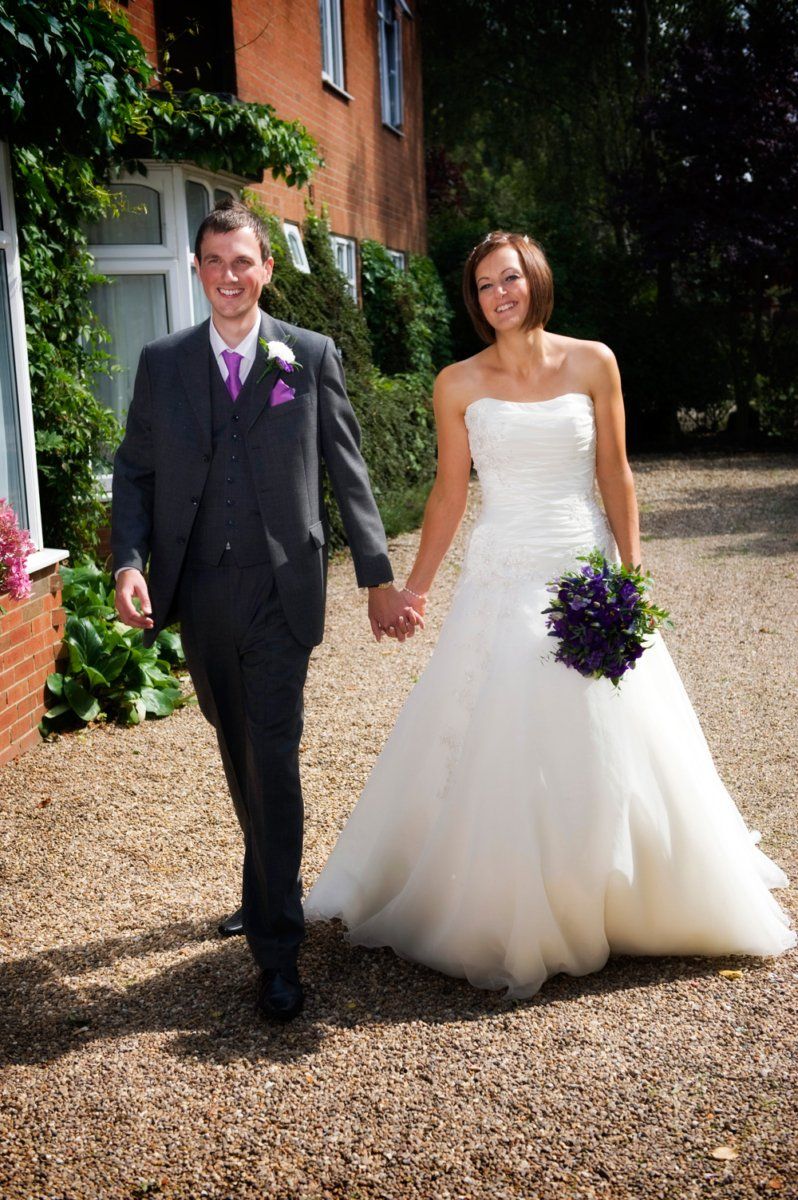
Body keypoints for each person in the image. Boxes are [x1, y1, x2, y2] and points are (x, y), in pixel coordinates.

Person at [305, 230, 795, 997]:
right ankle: (509, 894)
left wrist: (632, 581)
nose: (499, 295)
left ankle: (625, 891)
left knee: (611, 723)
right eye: (484, 288)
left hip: (582, 565)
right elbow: (448, 494)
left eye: (509, 279)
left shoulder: (593, 360)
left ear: (535, 278)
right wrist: (417, 587)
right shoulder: (458, 382)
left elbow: (616, 474)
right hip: (503, 574)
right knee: (507, 720)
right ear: (476, 303)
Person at [112, 199, 421, 1023]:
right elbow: (134, 472)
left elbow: (348, 474)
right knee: (236, 745)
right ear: (197, 269)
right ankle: (266, 883)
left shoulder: (308, 355)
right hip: (202, 594)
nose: (228, 276)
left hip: (283, 593)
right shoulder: (164, 362)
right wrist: (129, 563)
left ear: (266, 268)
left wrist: (378, 577)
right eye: (214, 262)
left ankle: (279, 951)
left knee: (273, 757)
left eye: (243, 261)